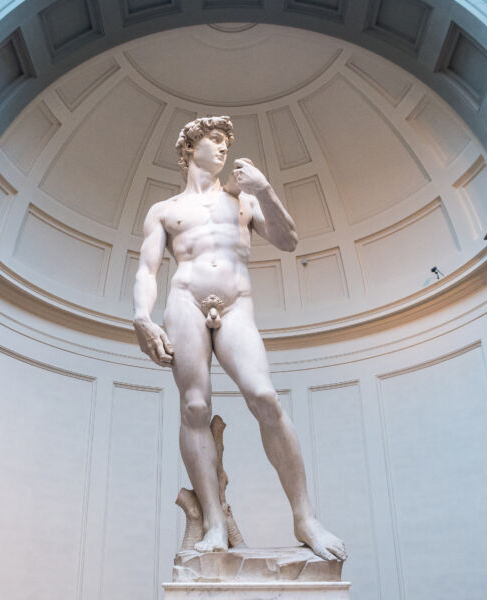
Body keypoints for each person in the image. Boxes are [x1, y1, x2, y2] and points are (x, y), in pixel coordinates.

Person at [133, 116, 346, 561]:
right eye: (215, 140)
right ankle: (213, 520)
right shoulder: (165, 209)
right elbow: (147, 269)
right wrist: (141, 318)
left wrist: (265, 188)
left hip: (236, 304)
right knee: (194, 406)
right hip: (185, 302)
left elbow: (288, 241)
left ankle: (305, 517)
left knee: (264, 397)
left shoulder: (244, 199)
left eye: (226, 141)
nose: (224, 148)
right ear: (191, 147)